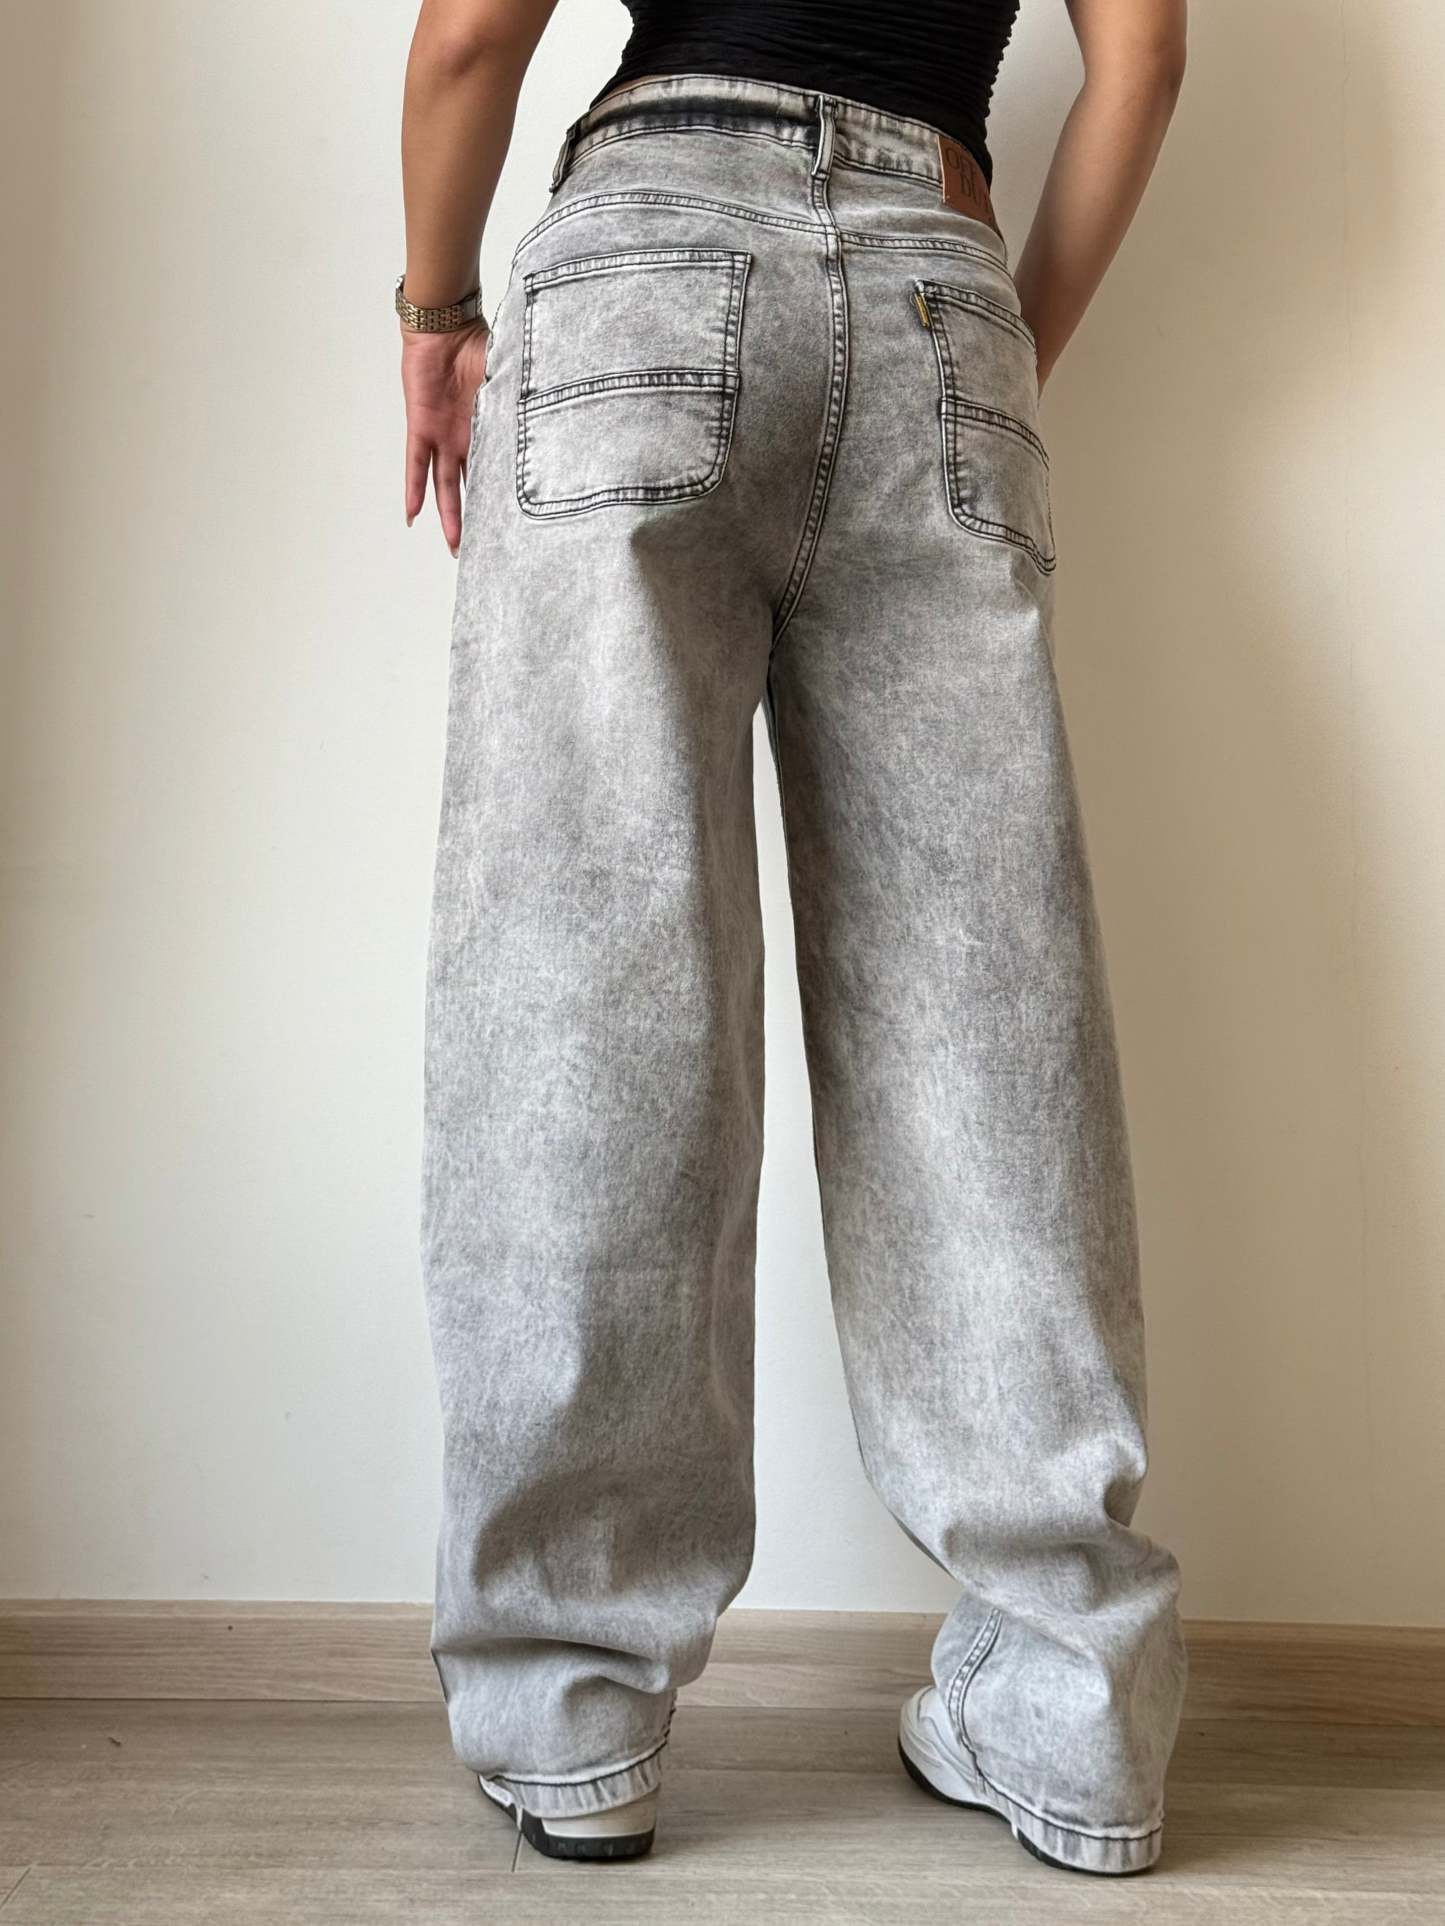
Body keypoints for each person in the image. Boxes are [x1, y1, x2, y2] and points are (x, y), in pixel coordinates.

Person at [399, 0, 1190, 1877]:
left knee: (590, 995)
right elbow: (1144, 58)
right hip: (937, 281)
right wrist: (993, 347)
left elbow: (469, 37)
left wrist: (433, 313)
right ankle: (1070, 1709)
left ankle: (573, 1700)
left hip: (645, 267)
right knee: (981, 1018)